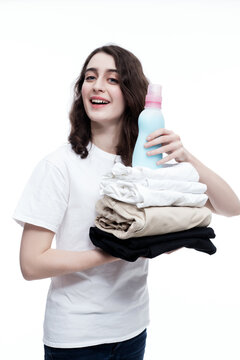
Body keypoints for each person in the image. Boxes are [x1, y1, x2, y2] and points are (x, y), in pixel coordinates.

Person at [13, 45, 240, 360]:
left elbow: (230, 206)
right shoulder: (59, 166)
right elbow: (31, 263)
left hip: (133, 330)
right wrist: (119, 251)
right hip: (76, 338)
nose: (97, 85)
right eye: (90, 77)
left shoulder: (147, 165)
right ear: (81, 92)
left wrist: (186, 157)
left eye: (112, 79)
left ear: (133, 93)